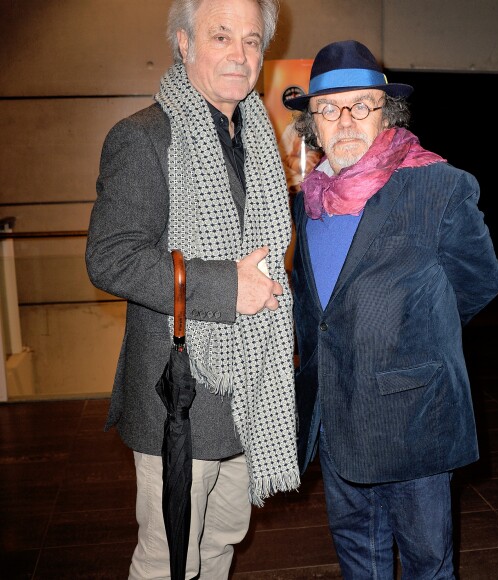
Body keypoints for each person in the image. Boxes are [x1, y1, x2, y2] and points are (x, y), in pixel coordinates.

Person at [85, 0, 299, 578]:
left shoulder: (258, 137)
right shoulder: (143, 138)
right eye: (221, 36)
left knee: (221, 543)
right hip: (179, 396)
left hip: (249, 393)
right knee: (167, 559)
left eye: (252, 40)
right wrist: (225, 286)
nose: (239, 54)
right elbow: (110, 257)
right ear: (183, 43)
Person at [286, 40, 498, 580]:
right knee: (360, 558)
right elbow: (315, 307)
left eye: (362, 104)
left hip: (413, 417)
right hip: (336, 413)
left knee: (429, 565)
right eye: (328, 109)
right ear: (313, 123)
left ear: (387, 112)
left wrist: (410, 338)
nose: (346, 121)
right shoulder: (306, 200)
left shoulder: (440, 186)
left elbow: (478, 283)